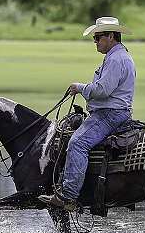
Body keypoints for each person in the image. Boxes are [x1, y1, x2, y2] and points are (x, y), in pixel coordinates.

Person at [39, 16, 136, 211]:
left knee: (77, 143)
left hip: (109, 114)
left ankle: (69, 197)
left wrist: (80, 87)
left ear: (111, 36)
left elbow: (103, 90)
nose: (95, 42)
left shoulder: (116, 59)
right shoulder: (117, 56)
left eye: (98, 37)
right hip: (112, 112)